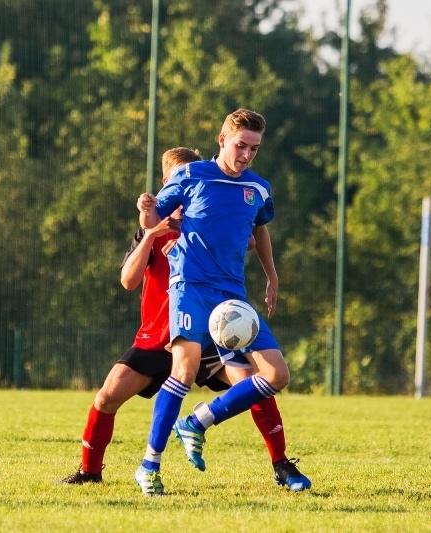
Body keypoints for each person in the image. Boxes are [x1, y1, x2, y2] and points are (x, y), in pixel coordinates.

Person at [57, 147, 308, 494]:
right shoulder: (151, 231)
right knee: (106, 397)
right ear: (167, 183)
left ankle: (281, 464)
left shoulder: (206, 225)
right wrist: (151, 233)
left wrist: (264, 266)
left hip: (210, 337)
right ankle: (89, 471)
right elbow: (128, 281)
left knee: (255, 384)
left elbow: (248, 233)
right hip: (156, 338)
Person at [134, 110, 309, 496]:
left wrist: (272, 276)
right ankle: (150, 464)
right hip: (190, 286)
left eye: (254, 148)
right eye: (240, 145)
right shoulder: (192, 175)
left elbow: (259, 229)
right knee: (184, 368)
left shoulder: (258, 189)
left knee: (276, 374)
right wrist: (147, 209)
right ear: (221, 140)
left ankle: (197, 422)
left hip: (232, 295)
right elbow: (152, 224)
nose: (246, 154)